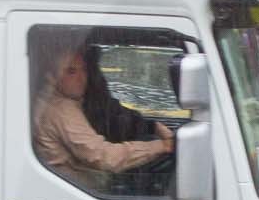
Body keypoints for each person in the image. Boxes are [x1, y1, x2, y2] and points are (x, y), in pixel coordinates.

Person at [31, 32, 175, 182]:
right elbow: (104, 158)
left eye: (84, 69)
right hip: (78, 190)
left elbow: (112, 110)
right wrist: (162, 146)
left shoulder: (52, 99)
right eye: (71, 71)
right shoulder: (61, 110)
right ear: (51, 77)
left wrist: (153, 126)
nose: (82, 78)